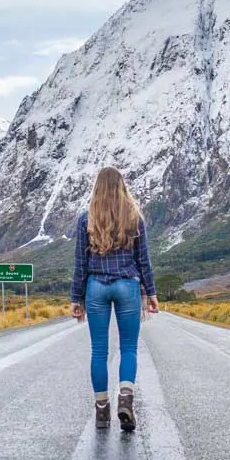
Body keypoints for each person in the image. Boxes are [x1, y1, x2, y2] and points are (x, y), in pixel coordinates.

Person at [70, 167, 160, 432]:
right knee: (128, 348)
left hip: (96, 286)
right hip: (127, 286)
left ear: (97, 189)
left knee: (99, 350)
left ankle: (101, 412)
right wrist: (151, 293)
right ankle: (125, 400)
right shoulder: (134, 218)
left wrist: (77, 298)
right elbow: (144, 262)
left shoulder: (86, 220)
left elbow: (80, 263)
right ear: (122, 187)